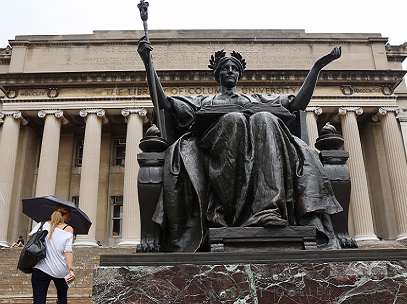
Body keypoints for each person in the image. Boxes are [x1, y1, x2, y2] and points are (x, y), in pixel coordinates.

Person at [137, 38, 343, 252]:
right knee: (233, 119)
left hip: (258, 153)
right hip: (215, 151)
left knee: (265, 118)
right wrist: (148, 63)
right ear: (217, 75)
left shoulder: (255, 100)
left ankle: (268, 210)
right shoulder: (204, 101)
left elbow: (297, 103)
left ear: (238, 74)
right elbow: (165, 103)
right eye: (224, 68)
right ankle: (224, 213)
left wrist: (317, 67)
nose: (229, 71)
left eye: (233, 68)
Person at [26, 204, 76, 304]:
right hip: (60, 270)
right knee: (62, 295)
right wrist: (71, 269)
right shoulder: (68, 229)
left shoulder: (40, 225)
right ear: (66, 216)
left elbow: (31, 242)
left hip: (40, 268)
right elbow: (68, 251)